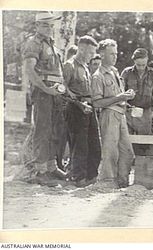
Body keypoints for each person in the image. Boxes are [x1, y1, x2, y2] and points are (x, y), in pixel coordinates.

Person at [22, 11, 67, 185]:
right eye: (45, 25)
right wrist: (45, 89)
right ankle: (39, 171)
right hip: (43, 92)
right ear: (37, 26)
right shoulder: (34, 43)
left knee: (55, 129)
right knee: (43, 129)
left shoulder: (52, 45)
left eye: (50, 25)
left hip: (56, 93)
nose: (49, 28)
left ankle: (51, 166)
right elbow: (30, 71)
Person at [92, 39, 135, 188]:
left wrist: (126, 99)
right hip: (109, 115)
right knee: (110, 151)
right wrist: (120, 97)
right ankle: (107, 181)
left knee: (127, 151)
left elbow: (118, 95)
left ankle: (122, 182)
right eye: (111, 54)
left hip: (120, 114)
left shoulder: (115, 72)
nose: (115, 57)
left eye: (116, 54)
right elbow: (97, 103)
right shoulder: (98, 76)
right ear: (102, 55)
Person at [63, 35, 101, 187]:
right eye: (90, 52)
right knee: (80, 145)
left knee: (94, 143)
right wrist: (79, 104)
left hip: (88, 106)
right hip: (75, 107)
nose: (92, 56)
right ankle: (78, 177)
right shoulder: (69, 65)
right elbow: (63, 90)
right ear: (82, 49)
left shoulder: (85, 67)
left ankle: (91, 177)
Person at [121, 48, 153, 135]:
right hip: (130, 112)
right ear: (134, 61)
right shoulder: (126, 73)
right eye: (138, 65)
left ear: (147, 60)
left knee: (144, 143)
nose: (141, 67)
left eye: (143, 65)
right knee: (129, 142)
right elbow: (120, 91)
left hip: (146, 114)